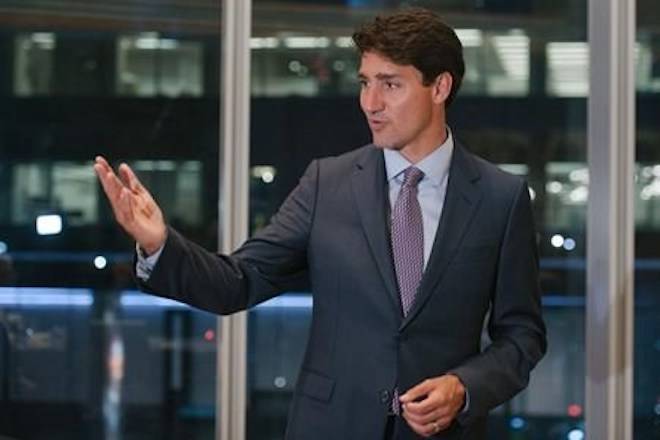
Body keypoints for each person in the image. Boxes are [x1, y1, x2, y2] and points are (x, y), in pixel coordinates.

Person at [94, 7, 546, 440]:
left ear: (440, 86)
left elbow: (522, 336)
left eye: (391, 84)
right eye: (365, 82)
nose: (371, 103)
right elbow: (238, 281)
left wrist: (465, 387)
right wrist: (158, 243)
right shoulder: (326, 185)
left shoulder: (499, 198)